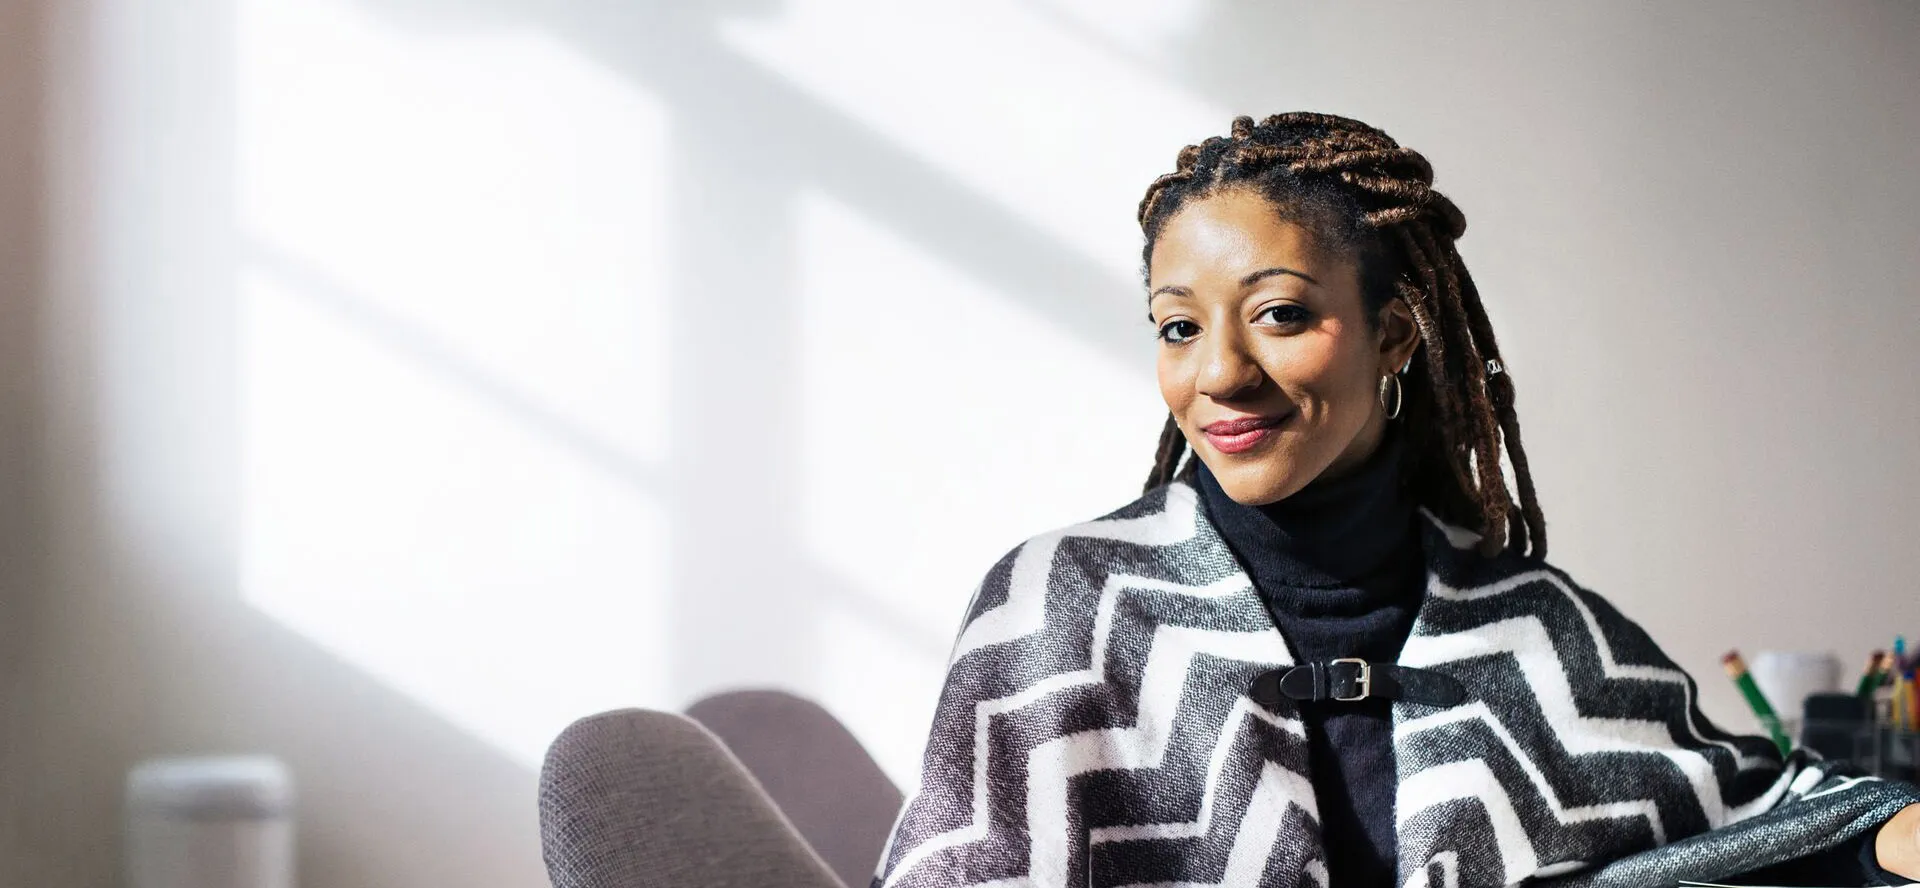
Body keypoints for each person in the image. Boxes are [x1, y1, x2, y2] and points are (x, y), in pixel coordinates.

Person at [868, 112, 1920, 888]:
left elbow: (1765, 834)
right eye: (1178, 326)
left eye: (1280, 314)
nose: (1220, 374)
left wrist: (1886, 845)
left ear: (1397, 334)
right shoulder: (1064, 608)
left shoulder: (1533, 629)